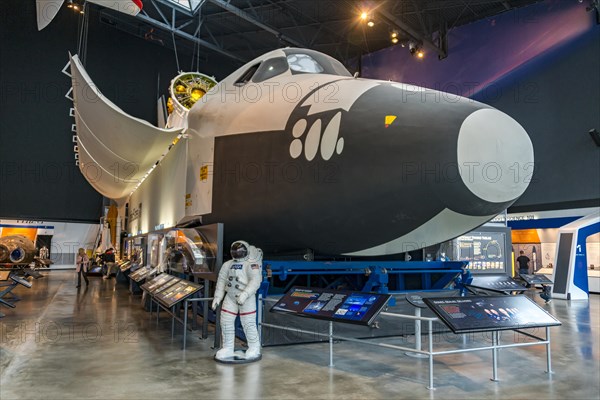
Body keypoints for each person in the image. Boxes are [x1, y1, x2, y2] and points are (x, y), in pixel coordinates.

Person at [212, 240, 263, 361]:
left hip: (246, 298)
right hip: (230, 297)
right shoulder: (227, 264)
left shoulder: (251, 264)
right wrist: (218, 297)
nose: (237, 253)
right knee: (225, 322)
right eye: (234, 251)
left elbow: (255, 281)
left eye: (239, 251)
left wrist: (245, 294)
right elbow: (221, 281)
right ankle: (228, 347)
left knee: (248, 323)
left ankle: (254, 347)